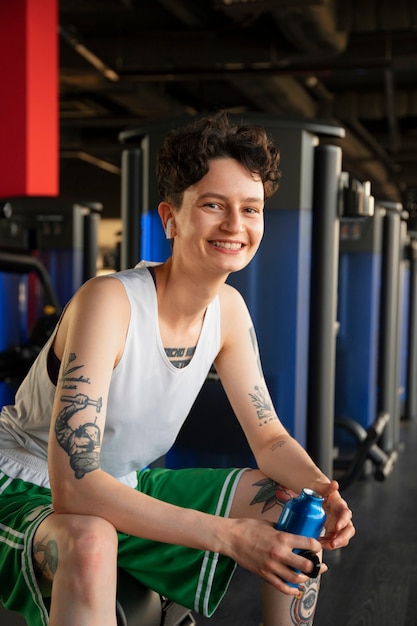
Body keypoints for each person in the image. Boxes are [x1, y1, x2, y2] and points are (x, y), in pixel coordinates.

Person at [0, 111, 354, 626]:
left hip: (123, 482)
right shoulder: (110, 302)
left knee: (291, 504)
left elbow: (270, 441)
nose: (235, 225)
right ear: (170, 218)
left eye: (250, 209)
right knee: (92, 538)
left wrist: (326, 489)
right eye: (213, 205)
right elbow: (73, 489)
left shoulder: (228, 311)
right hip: (22, 484)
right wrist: (230, 536)